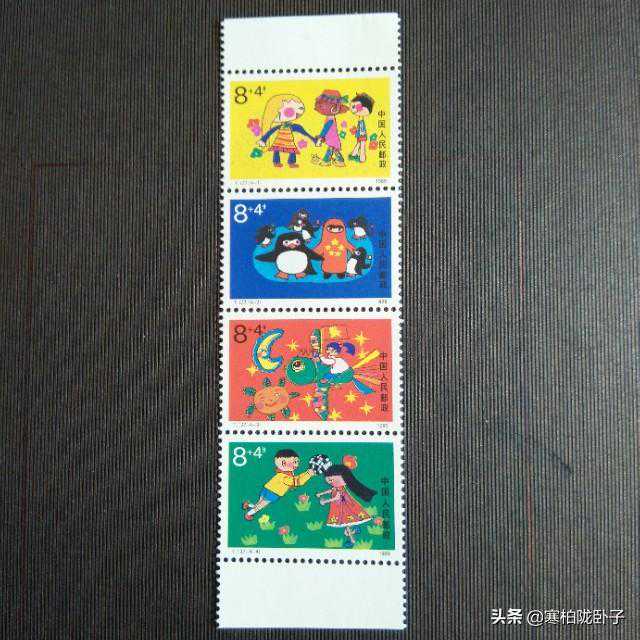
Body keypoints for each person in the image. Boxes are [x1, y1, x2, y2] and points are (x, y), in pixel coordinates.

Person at [316, 458, 376, 547]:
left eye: (331, 480)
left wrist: (325, 501)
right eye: (328, 480)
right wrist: (321, 493)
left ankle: (352, 540)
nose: (330, 482)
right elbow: (331, 490)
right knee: (346, 524)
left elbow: (336, 498)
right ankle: (354, 532)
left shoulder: (340, 489)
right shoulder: (336, 487)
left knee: (345, 523)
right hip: (339, 507)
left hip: (343, 507)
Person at [242, 449, 315, 520]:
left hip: (266, 489)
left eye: (297, 461)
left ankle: (248, 505)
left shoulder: (283, 474)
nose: (297, 464)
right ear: (283, 463)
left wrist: (307, 472)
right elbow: (298, 481)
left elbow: (296, 478)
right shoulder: (286, 477)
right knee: (260, 506)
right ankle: (248, 514)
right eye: (295, 462)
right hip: (273, 493)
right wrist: (308, 475)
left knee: (259, 503)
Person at [257, 94, 316, 168]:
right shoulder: (280, 126)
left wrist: (313, 139)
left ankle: (291, 163)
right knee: (276, 150)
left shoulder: (293, 126)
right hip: (279, 140)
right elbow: (270, 132)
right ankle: (276, 162)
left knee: (292, 151)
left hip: (289, 142)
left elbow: (303, 132)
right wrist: (263, 140)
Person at [312, 89, 349, 167]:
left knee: (331, 149)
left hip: (332, 137)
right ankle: (340, 161)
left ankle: (327, 161)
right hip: (331, 137)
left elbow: (325, 129)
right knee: (334, 149)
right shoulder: (330, 118)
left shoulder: (330, 119)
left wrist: (321, 136)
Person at [348, 93, 375, 163]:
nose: (351, 109)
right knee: (360, 143)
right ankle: (355, 155)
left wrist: (360, 133)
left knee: (361, 144)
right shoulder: (360, 120)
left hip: (362, 132)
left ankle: (361, 158)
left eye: (353, 106)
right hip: (361, 132)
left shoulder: (361, 118)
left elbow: (361, 127)